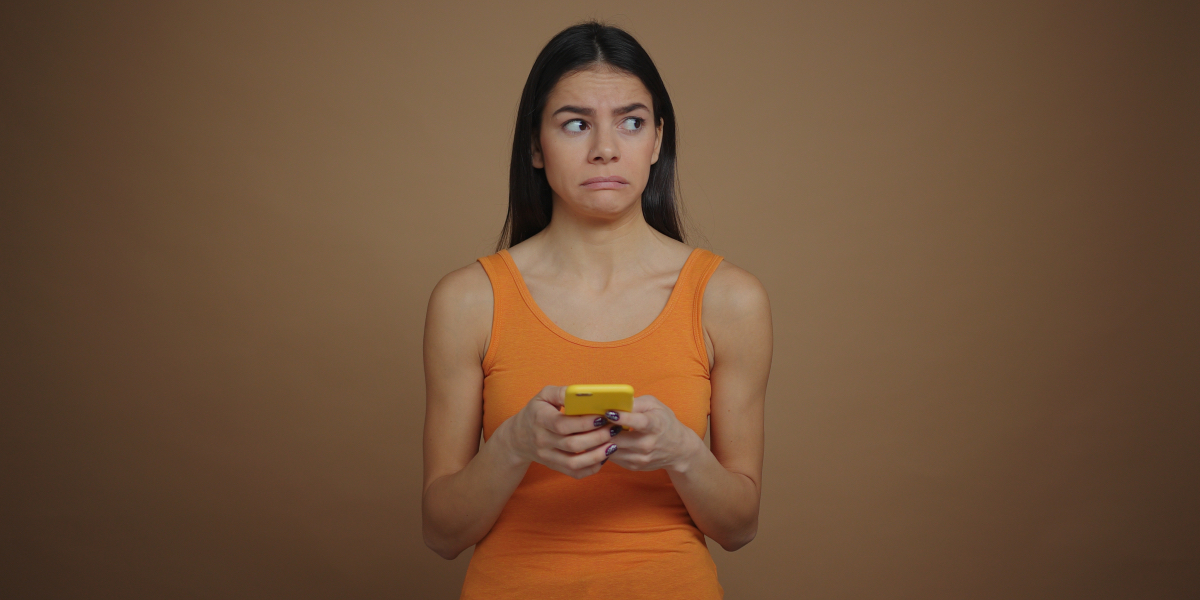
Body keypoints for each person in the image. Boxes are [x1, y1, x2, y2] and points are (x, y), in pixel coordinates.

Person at [421, 21, 772, 599]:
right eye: (576, 124)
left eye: (631, 122)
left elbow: (740, 527)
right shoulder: (468, 301)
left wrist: (683, 452)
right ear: (535, 145)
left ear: (657, 142)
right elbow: (441, 534)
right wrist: (513, 446)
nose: (605, 148)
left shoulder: (729, 300)